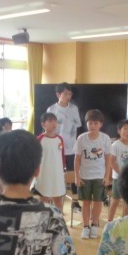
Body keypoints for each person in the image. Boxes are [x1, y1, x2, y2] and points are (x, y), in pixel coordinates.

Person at [74, 109, 112, 240]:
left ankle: (95, 225)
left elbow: (108, 158)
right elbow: (77, 159)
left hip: (99, 176)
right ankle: (85, 227)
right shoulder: (81, 138)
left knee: (97, 202)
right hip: (84, 176)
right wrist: (77, 176)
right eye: (90, 123)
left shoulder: (105, 138)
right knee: (85, 203)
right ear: (86, 124)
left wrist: (107, 176)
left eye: (96, 123)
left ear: (101, 124)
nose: (93, 126)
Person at [47, 82, 82, 211]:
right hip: (56, 149)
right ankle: (54, 202)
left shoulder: (74, 108)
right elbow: (48, 130)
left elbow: (78, 125)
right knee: (56, 175)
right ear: (58, 94)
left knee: (73, 175)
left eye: (70, 94)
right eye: (65, 94)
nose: (68, 96)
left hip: (71, 148)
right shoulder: (52, 109)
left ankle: (75, 203)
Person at [108, 119, 128, 221]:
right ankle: (110, 221)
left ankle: (124, 221)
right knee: (115, 200)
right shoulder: (115, 145)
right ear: (119, 131)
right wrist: (121, 172)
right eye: (125, 129)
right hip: (118, 178)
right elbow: (111, 161)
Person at [36, 112, 65, 210]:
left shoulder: (60, 139)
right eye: (50, 121)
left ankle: (58, 218)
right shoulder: (40, 139)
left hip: (57, 175)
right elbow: (35, 158)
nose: (54, 123)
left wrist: (63, 170)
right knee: (44, 200)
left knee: (58, 200)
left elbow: (62, 156)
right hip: (44, 174)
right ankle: (44, 219)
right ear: (43, 124)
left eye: (55, 121)